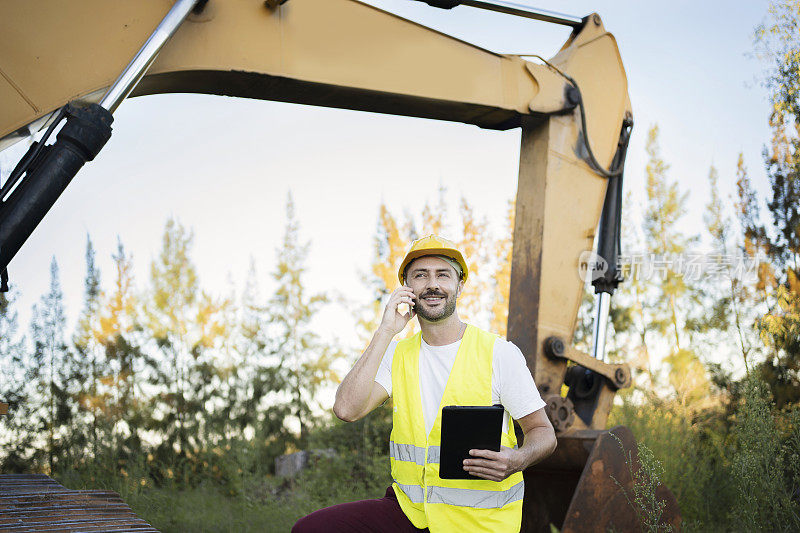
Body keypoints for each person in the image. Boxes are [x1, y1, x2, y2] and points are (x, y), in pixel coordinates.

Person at [292, 235, 556, 533]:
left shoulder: (498, 354)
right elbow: (346, 409)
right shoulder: (398, 354)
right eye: (421, 275)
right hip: (411, 514)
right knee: (312, 529)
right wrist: (385, 331)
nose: (432, 284)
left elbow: (543, 432)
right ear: (407, 289)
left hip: (477, 524)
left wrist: (518, 459)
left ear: (460, 286)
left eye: (443, 274)